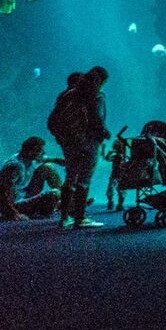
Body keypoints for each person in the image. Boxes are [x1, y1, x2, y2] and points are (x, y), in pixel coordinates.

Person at [48, 66, 110, 229]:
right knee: (84, 180)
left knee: (70, 178)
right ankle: (80, 217)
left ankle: (64, 217)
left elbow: (52, 120)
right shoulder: (97, 96)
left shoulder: (69, 94)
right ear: (102, 81)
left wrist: (62, 138)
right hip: (88, 143)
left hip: (69, 143)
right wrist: (104, 133)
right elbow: (97, 120)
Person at [0, 137, 63, 221]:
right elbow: (2, 192)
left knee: (48, 167)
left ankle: (65, 200)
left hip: (24, 194)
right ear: (30, 152)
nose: (43, 152)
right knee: (54, 194)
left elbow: (54, 159)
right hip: (14, 203)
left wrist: (72, 163)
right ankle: (52, 206)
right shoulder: (15, 166)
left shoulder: (30, 157)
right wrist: (13, 213)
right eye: (40, 150)